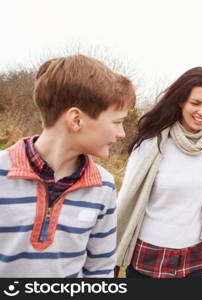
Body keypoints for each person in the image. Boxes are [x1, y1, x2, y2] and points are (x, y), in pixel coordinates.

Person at [115, 66, 202, 278]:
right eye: (195, 103)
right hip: (149, 256)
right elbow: (125, 201)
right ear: (181, 101)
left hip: (194, 260)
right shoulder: (151, 143)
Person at [0, 54, 135, 277]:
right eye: (117, 122)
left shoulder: (104, 187)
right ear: (76, 120)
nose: (121, 134)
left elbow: (100, 270)